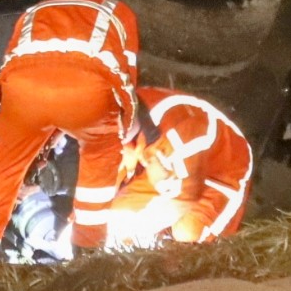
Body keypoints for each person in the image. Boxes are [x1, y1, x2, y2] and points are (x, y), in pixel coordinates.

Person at [0, 0, 143, 269]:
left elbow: (14, 69)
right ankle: (89, 257)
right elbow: (126, 81)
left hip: (23, 87)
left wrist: (26, 160)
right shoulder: (121, 12)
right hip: (88, 86)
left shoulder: (36, 9)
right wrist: (119, 131)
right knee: (99, 157)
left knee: (0, 177)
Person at [100, 86, 255, 251]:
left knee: (189, 237)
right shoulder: (119, 120)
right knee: (117, 213)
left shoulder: (177, 133)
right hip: (160, 165)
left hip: (220, 172)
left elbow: (183, 201)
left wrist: (130, 236)